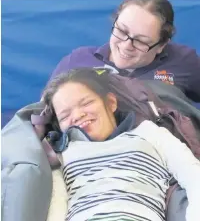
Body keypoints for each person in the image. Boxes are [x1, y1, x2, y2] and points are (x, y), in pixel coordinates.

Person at [43, 68, 200, 221]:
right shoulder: (62, 153)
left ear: (111, 103)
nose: (77, 115)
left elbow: (192, 174)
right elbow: (56, 203)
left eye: (86, 103)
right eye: (65, 116)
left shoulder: (149, 133)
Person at [49, 0, 200, 102]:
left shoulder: (183, 61)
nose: (127, 45)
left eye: (141, 41)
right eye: (121, 31)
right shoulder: (77, 61)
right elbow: (41, 116)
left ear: (161, 45)